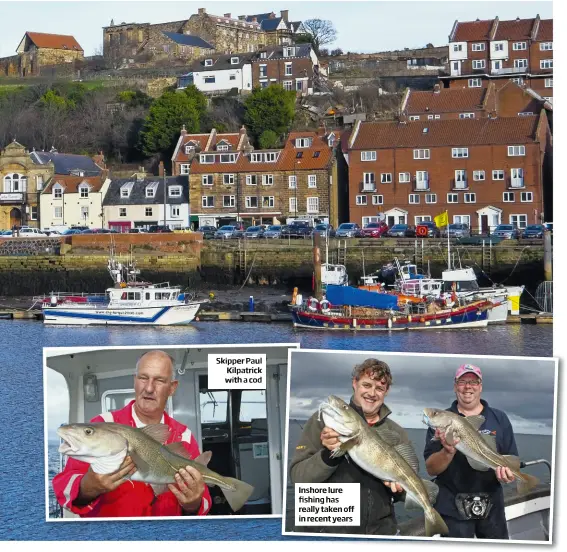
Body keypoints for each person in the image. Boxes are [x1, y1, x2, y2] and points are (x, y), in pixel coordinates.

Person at [53, 350, 212, 517]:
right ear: (135, 381)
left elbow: (204, 501)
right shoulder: (102, 424)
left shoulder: (184, 435)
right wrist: (88, 487)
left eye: (159, 380)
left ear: (172, 388)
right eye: (143, 378)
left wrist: (194, 504)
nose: (149, 388)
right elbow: (64, 488)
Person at [290, 358, 410, 535]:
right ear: (355, 383)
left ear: (387, 391)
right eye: (366, 385)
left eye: (379, 388)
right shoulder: (323, 419)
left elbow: (405, 495)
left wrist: (400, 490)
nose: (372, 393)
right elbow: (298, 479)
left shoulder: (396, 432)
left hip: (379, 532)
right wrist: (327, 455)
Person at [424, 364, 518, 539]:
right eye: (462, 381)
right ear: (455, 386)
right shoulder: (440, 423)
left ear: (480, 386)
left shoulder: (500, 418)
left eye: (473, 381)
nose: (468, 386)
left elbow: (512, 459)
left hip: (492, 506)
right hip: (451, 505)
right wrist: (447, 451)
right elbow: (431, 469)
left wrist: (507, 476)